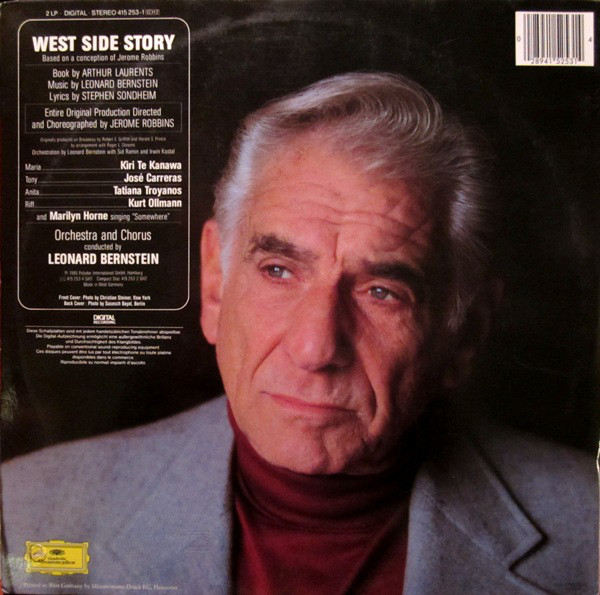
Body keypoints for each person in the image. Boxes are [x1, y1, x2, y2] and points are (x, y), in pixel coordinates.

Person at [2, 73, 596, 594]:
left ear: (464, 334)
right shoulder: (26, 509)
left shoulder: (589, 528)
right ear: (215, 285)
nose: (315, 349)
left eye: (382, 292)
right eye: (278, 271)